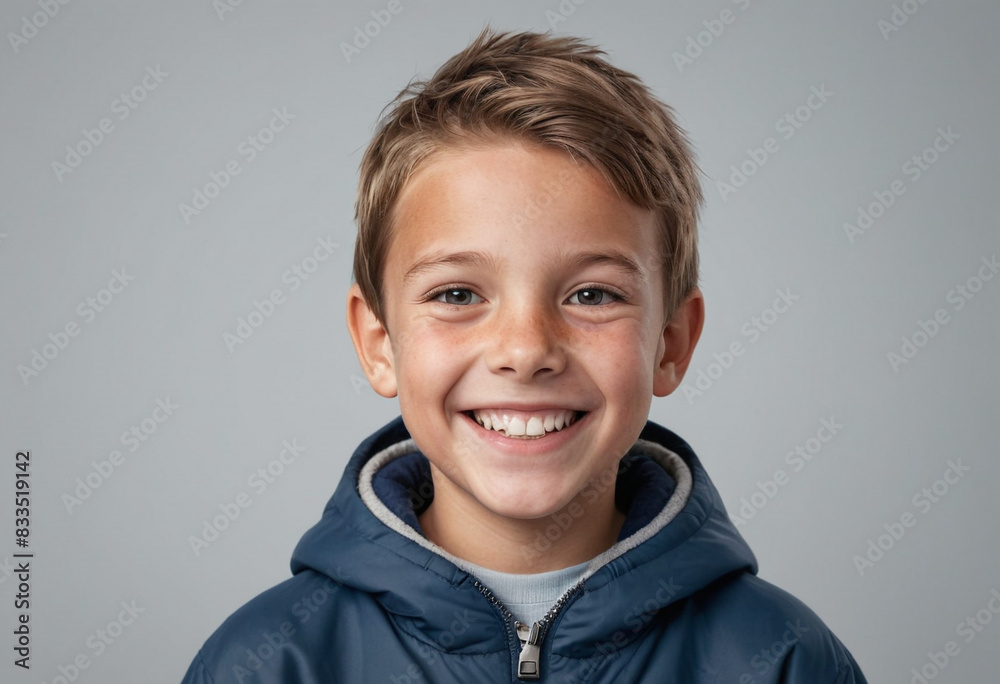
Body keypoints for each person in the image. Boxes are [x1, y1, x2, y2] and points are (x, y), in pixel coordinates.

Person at [182, 27, 867, 683]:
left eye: (593, 295)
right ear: (378, 342)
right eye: (456, 293)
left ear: (672, 343)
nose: (525, 349)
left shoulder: (782, 661)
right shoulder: (268, 664)